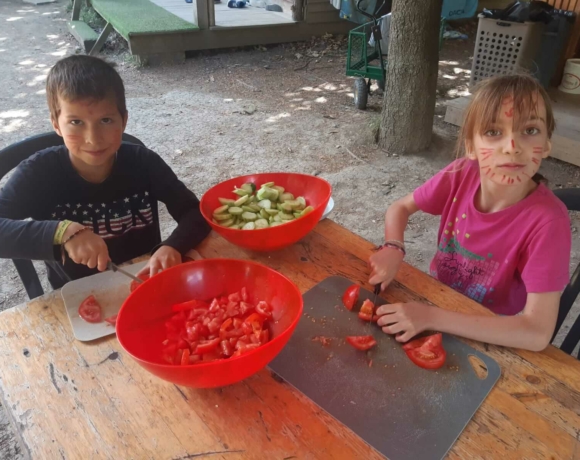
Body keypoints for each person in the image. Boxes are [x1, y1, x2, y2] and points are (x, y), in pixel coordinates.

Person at [369, 74, 571, 352]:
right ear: (470, 146)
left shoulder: (549, 222)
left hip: (496, 330)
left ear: (547, 143)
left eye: (530, 130)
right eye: (493, 131)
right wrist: (393, 245)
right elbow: (400, 208)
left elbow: (536, 333)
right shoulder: (461, 173)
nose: (511, 147)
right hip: (439, 297)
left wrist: (431, 317)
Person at [0, 55, 211, 290]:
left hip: (143, 280)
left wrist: (173, 245)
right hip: (75, 294)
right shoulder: (38, 173)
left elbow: (195, 212)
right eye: (76, 122)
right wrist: (60, 232)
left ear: (124, 120)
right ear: (56, 124)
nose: (93, 139)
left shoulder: (144, 162)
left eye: (106, 120)